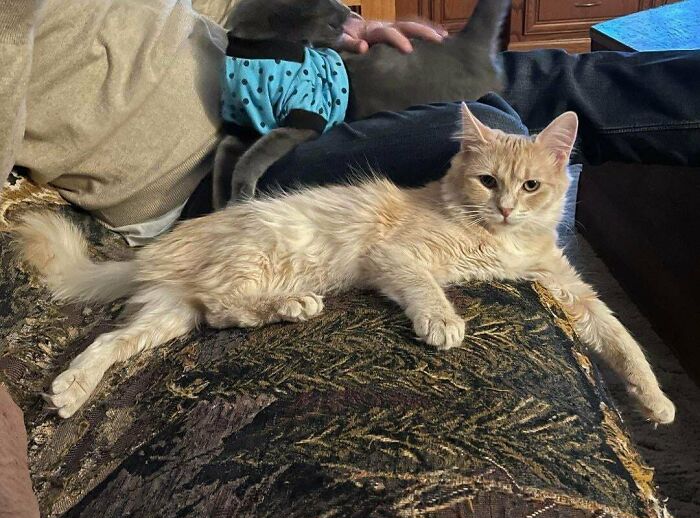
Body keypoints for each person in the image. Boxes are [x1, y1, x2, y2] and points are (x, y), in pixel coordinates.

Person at [1, 0, 699, 246]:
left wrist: (345, 26)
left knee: (544, 78)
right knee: (492, 130)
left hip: (298, 80)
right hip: (209, 174)